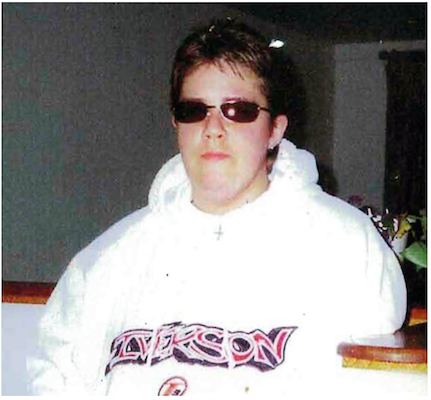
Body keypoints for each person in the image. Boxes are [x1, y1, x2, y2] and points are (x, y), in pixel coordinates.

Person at [27, 19, 407, 396]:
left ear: (275, 130)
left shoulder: (346, 247)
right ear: (176, 123)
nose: (213, 128)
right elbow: (53, 381)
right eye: (194, 110)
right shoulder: (107, 259)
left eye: (238, 110)